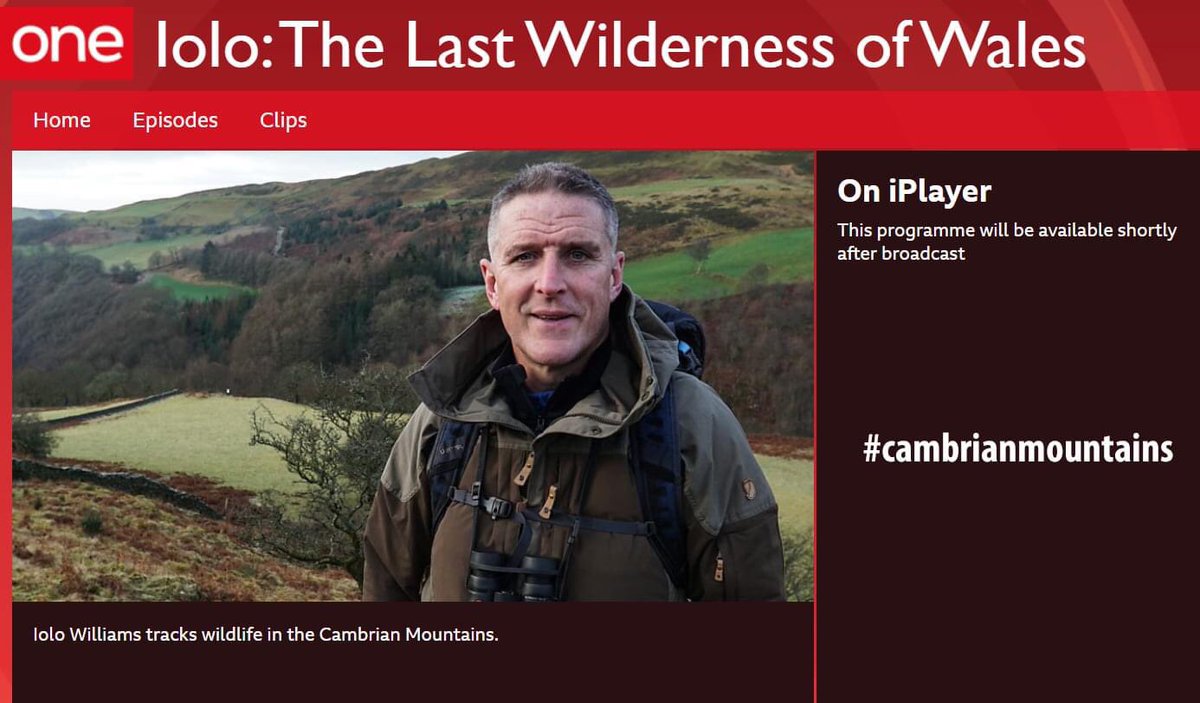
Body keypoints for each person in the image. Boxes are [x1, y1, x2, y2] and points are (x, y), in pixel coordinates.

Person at [362, 162, 784, 601]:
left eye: (577, 254)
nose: (549, 283)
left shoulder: (693, 424)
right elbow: (384, 590)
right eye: (525, 256)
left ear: (615, 276)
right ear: (491, 282)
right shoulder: (440, 422)